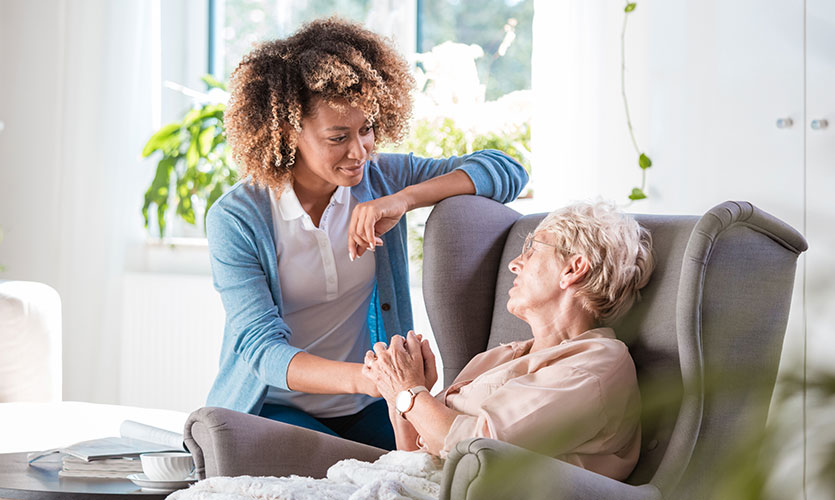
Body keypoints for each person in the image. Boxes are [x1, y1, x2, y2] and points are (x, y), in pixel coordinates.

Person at [204, 17, 528, 452]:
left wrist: (405, 199)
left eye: (367, 129)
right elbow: (262, 351)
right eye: (338, 137)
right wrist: (376, 379)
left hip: (366, 404)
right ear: (288, 132)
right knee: (343, 469)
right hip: (274, 406)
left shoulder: (381, 180)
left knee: (448, 459)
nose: (359, 152)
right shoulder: (238, 217)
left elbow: (507, 171)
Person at [362, 201, 654, 480]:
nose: (515, 263)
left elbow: (476, 453)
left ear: (573, 269)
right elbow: (413, 458)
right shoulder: (497, 357)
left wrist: (409, 392)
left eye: (533, 249)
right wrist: (398, 395)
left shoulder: (596, 366)